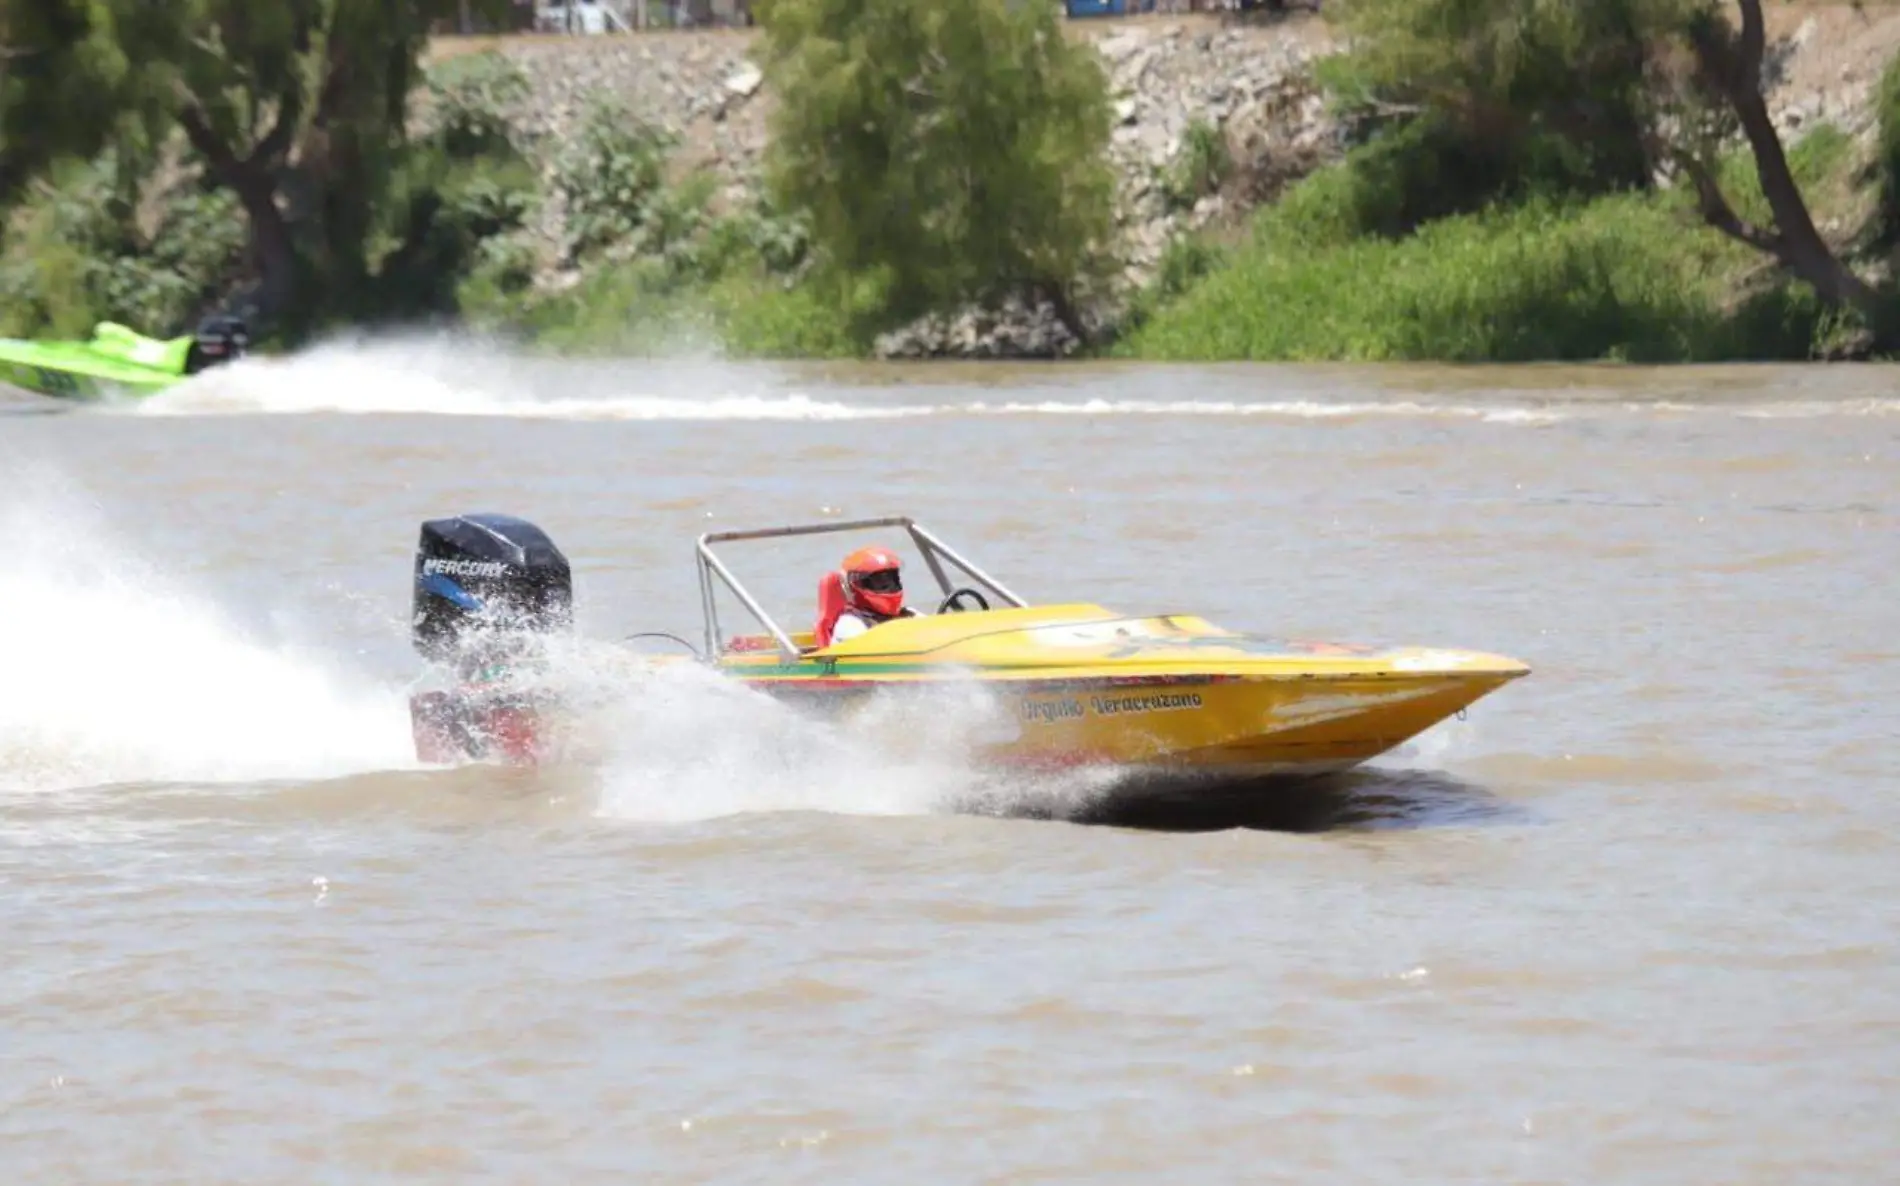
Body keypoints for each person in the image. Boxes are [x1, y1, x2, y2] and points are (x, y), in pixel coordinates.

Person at [816, 545, 919, 646]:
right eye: (881, 584)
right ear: (856, 585)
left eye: (891, 581)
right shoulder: (850, 624)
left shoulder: (910, 613)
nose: (889, 588)